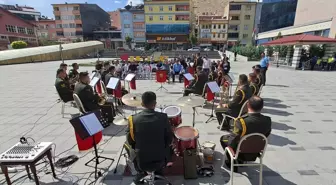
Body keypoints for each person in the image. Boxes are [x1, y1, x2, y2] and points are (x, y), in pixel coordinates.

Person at [126, 91, 173, 184]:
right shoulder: (163, 117)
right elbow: (169, 140)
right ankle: (159, 172)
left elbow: (131, 141)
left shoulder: (133, 119)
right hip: (160, 159)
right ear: (155, 104)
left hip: (142, 161)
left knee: (129, 146)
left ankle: (141, 173)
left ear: (142, 104)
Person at [220, 96, 272, 171]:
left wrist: (230, 145)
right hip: (257, 150)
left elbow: (234, 138)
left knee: (223, 139)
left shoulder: (241, 121)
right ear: (262, 107)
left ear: (248, 105)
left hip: (241, 151)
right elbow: (265, 135)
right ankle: (240, 160)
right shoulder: (268, 120)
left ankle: (233, 163)